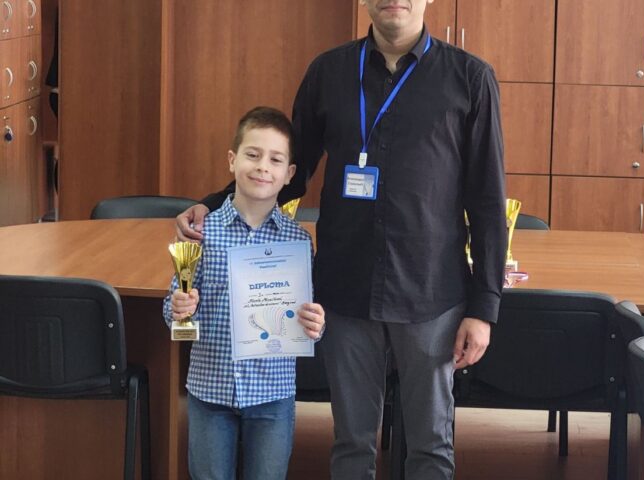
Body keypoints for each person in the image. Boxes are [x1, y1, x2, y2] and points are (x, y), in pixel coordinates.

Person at [177, 0, 507, 478]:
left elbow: (488, 200)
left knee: (431, 445)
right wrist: (214, 203)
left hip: (431, 293)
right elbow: (290, 172)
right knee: (352, 442)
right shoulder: (328, 72)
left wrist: (484, 307)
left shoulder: (470, 78)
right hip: (346, 288)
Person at [164, 106, 326, 480]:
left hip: (272, 394)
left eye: (275, 160)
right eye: (252, 155)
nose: (262, 167)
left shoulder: (298, 242)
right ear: (232, 160)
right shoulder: (200, 233)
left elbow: (308, 323)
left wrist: (316, 325)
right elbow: (174, 314)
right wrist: (177, 308)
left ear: (289, 174)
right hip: (210, 391)